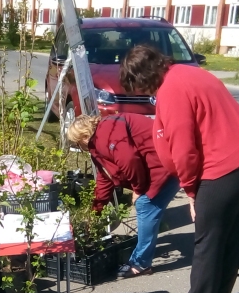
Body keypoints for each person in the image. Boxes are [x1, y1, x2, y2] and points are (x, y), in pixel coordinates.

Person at [120, 45, 239, 293]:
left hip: (228, 167)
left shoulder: (172, 89)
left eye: (137, 85)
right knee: (226, 239)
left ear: (142, 76)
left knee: (207, 241)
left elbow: (184, 149)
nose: (141, 92)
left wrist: (191, 191)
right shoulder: (191, 74)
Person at [66, 114, 180, 277]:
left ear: (84, 135)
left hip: (164, 165)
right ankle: (143, 253)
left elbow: (130, 160)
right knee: (146, 206)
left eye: (77, 143)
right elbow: (105, 177)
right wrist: (96, 210)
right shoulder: (98, 143)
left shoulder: (106, 134)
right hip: (160, 165)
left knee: (144, 204)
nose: (79, 147)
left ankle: (141, 263)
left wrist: (138, 189)